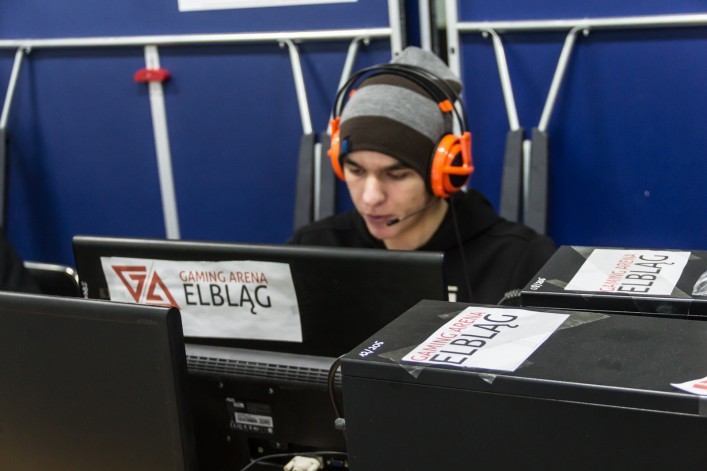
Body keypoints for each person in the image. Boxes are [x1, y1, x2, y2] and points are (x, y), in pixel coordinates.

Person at [288, 47, 556, 305]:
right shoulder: (313, 248)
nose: (371, 198)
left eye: (396, 175)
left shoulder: (522, 260)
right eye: (356, 170)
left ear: (442, 174)